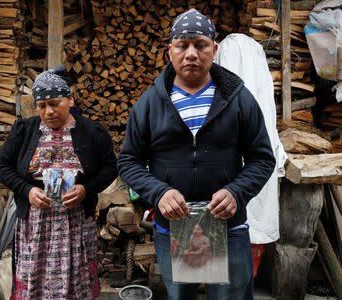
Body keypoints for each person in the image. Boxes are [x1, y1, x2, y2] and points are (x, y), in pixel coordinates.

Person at [117, 8, 276, 300]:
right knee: (181, 297)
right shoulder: (150, 103)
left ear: (214, 49)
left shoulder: (238, 98)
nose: (191, 53)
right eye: (182, 45)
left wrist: (237, 192)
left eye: (200, 45)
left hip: (228, 227)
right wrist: (159, 193)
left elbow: (263, 158)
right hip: (174, 228)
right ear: (170, 51)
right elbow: (128, 160)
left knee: (232, 297)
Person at [0, 64, 118, 299]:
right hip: (35, 224)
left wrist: (86, 188)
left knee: (75, 282)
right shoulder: (24, 130)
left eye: (54, 103)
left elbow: (110, 167)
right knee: (34, 283)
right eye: (42, 105)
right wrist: (28, 190)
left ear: (70, 100)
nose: (48, 111)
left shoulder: (93, 132)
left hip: (76, 224)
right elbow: (1, 166)